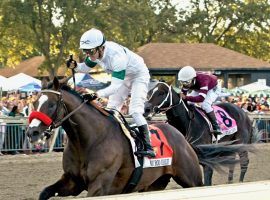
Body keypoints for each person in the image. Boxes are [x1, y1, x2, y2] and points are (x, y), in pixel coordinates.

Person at [66, 28, 155, 157]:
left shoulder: (116, 57)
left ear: (101, 48)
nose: (88, 54)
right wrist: (75, 66)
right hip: (123, 77)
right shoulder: (95, 53)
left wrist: (97, 94)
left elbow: (115, 87)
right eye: (85, 51)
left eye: (90, 51)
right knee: (111, 109)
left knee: (135, 111)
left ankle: (148, 146)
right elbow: (84, 68)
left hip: (138, 76)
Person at [178, 65, 222, 135]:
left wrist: (186, 97)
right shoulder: (188, 80)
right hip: (199, 87)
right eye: (182, 82)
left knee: (205, 105)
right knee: (189, 102)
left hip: (213, 88)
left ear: (193, 78)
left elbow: (201, 99)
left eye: (186, 82)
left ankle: (216, 125)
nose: (185, 85)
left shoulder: (203, 79)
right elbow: (183, 96)